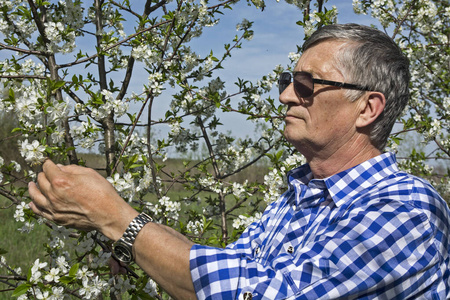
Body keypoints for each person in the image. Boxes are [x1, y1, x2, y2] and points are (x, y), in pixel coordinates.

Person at [28, 23, 450, 299]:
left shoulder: (406, 211)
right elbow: (224, 267)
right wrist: (129, 236)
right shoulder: (300, 195)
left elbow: (258, 294)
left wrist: (115, 217)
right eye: (288, 81)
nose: (286, 96)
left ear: (367, 108)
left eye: (306, 85)